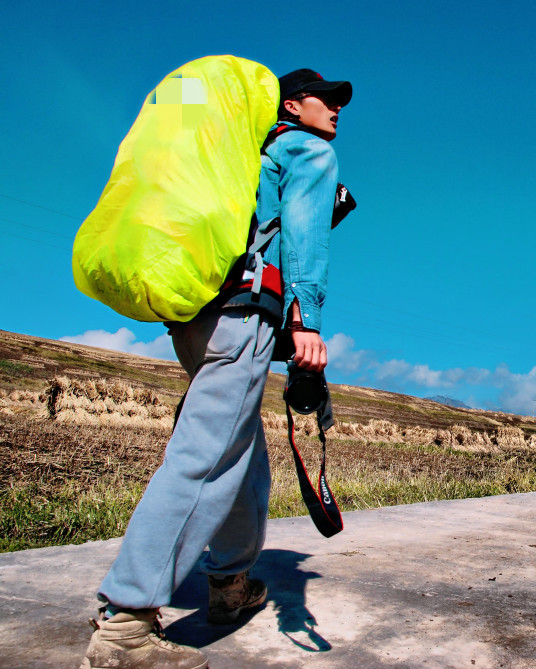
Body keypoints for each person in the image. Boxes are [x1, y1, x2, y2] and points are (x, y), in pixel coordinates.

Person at [80, 68, 351, 669]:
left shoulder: (237, 158)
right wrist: (306, 320)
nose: (334, 109)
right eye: (324, 99)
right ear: (290, 104)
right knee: (206, 456)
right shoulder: (305, 148)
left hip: (195, 316)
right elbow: (304, 237)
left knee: (239, 452)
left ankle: (230, 585)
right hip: (246, 310)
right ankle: (125, 626)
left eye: (338, 103)